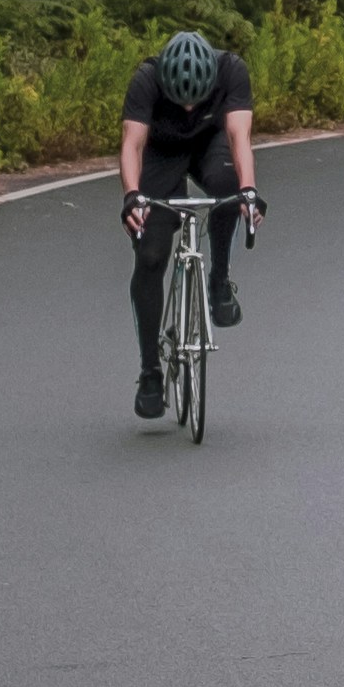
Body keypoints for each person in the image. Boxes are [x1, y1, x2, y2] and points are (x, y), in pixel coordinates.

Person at [118, 27, 258, 420]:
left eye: (197, 102)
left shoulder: (231, 70)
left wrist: (249, 191)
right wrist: (132, 197)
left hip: (209, 145)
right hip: (161, 154)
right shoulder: (146, 80)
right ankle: (150, 371)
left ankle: (219, 281)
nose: (188, 111)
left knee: (229, 188)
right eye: (180, 102)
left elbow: (239, 136)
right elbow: (132, 144)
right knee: (150, 255)